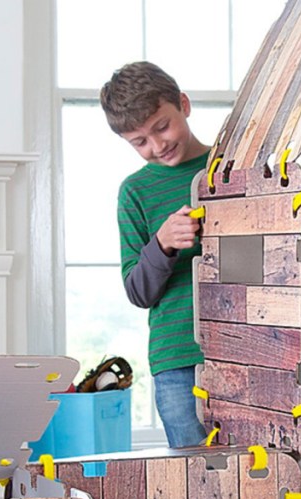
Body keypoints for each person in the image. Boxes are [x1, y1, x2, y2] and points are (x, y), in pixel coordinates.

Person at [100, 61, 210, 447]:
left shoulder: (232, 169)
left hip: (249, 351)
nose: (158, 145)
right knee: (198, 478)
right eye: (140, 141)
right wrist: (160, 244)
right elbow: (138, 291)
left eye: (162, 126)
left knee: (261, 473)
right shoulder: (135, 192)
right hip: (176, 359)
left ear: (183, 104)